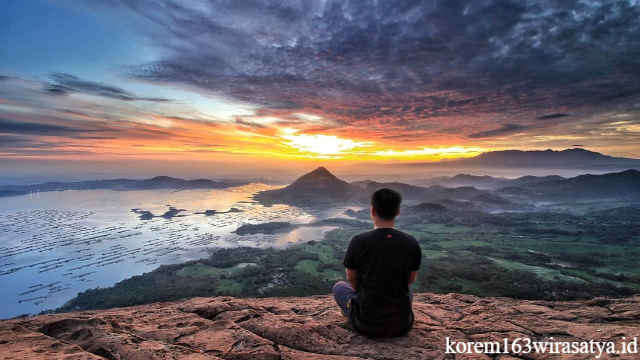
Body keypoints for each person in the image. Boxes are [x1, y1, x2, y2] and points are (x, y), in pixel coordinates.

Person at [333, 188, 422, 337]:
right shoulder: (411, 242)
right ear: (398, 212)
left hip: (365, 324)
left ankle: (350, 311)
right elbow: (410, 280)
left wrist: (361, 292)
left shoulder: (358, 242)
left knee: (338, 287)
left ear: (372, 211)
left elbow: (351, 278)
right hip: (402, 324)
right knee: (410, 288)